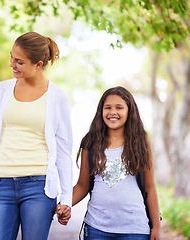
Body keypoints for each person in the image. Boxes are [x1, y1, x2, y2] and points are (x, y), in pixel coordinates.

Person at [0, 32, 73, 240]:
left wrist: (66, 198)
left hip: (39, 186)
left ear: (38, 64)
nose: (12, 65)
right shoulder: (1, 90)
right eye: (11, 57)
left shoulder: (57, 97)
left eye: (19, 62)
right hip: (1, 184)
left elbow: (63, 151)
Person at [60, 86, 161, 239]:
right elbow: (82, 185)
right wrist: (64, 204)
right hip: (96, 228)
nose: (113, 112)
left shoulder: (140, 143)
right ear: (101, 111)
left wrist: (156, 227)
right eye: (108, 107)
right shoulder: (91, 143)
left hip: (135, 229)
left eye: (119, 107)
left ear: (129, 111)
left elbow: (150, 187)